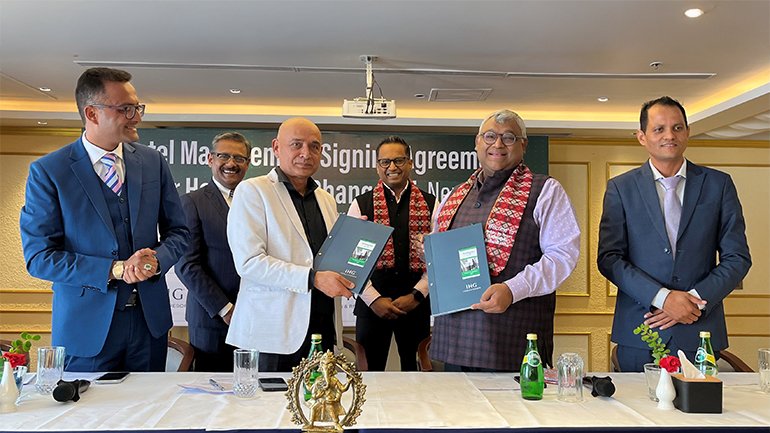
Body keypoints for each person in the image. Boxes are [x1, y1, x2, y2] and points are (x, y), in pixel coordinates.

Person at [19, 67, 189, 372]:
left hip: (149, 325)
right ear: (92, 113)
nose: (136, 117)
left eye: (137, 108)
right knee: (87, 404)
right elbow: (40, 258)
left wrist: (156, 260)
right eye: (126, 109)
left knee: (150, 403)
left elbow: (179, 231)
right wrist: (116, 269)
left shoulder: (153, 162)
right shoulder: (49, 172)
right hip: (86, 328)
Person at [598, 96, 751, 372]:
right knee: (636, 402)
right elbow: (609, 258)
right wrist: (663, 298)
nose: (670, 135)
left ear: (687, 132)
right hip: (642, 328)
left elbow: (737, 258)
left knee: (701, 402)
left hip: (699, 328)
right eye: (659, 129)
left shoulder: (718, 185)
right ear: (642, 137)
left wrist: (693, 300)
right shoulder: (621, 188)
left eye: (677, 128)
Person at [419, 109, 580, 372]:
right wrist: (431, 253)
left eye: (508, 137)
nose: (498, 144)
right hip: (454, 339)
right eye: (490, 136)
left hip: (512, 338)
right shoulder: (454, 195)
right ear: (477, 142)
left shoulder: (546, 190)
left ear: (523, 145)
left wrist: (512, 289)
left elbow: (562, 256)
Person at [225, 117, 354, 372]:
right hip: (272, 332)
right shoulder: (252, 191)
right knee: (269, 399)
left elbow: (329, 259)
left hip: (322, 327)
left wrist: (355, 242)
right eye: (297, 144)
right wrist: (313, 279)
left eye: (314, 146)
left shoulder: (326, 199)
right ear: (276, 147)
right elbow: (249, 263)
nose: (306, 153)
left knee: (319, 397)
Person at [347, 136, 435, 371]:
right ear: (378, 166)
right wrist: (374, 300)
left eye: (399, 160)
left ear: (410, 163)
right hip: (372, 306)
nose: (392, 167)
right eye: (385, 162)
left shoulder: (431, 204)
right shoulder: (361, 204)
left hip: (416, 305)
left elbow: (437, 259)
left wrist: (417, 295)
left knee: (417, 375)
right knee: (369, 375)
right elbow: (351, 263)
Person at [176, 132, 251, 372]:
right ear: (210, 159)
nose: (231, 163)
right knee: (213, 389)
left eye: (239, 158)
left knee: (254, 387)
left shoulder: (258, 202)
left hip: (255, 318)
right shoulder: (192, 202)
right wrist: (225, 309)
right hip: (213, 321)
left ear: (248, 163)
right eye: (224, 156)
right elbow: (187, 265)